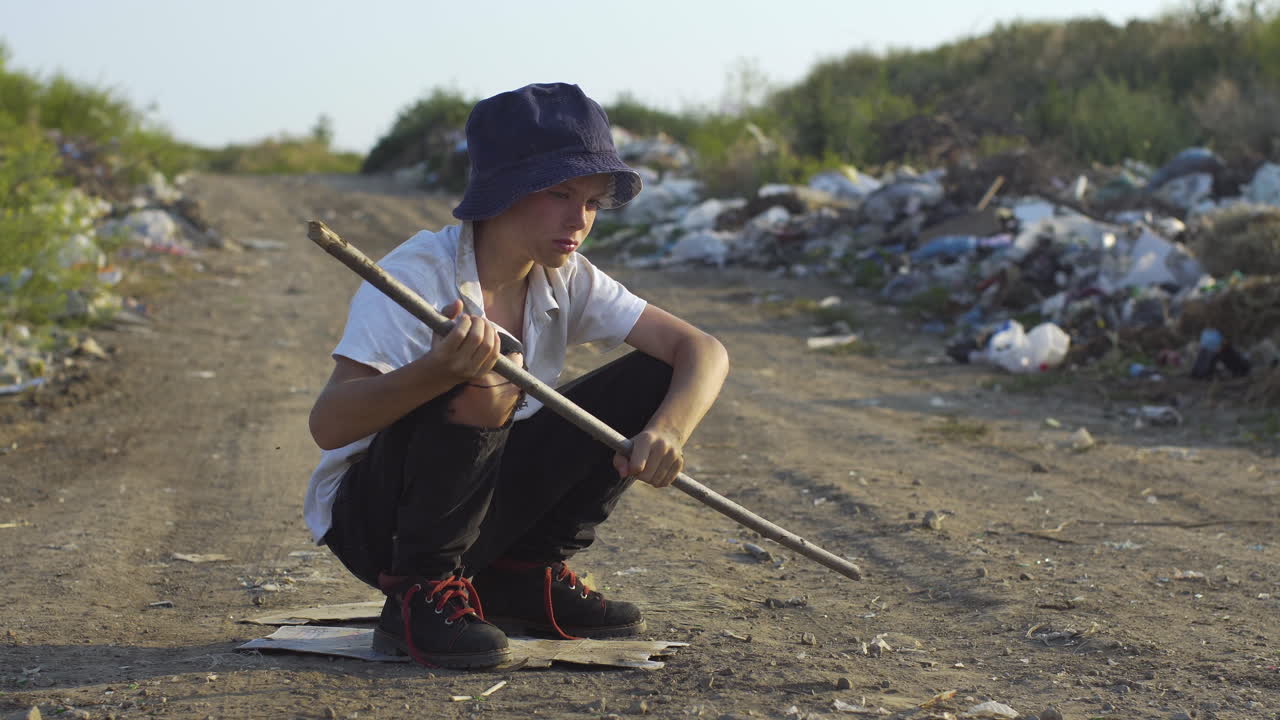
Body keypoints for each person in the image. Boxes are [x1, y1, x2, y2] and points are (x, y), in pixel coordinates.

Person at [304, 83, 729, 670]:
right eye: (559, 193)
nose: (577, 219)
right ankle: (420, 598)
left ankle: (522, 573)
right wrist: (435, 372)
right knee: (489, 380)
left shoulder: (566, 275)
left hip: (480, 506)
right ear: (503, 190)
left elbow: (702, 349)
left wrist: (669, 432)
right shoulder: (418, 276)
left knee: (656, 374)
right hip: (380, 526)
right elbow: (329, 425)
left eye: (591, 201)